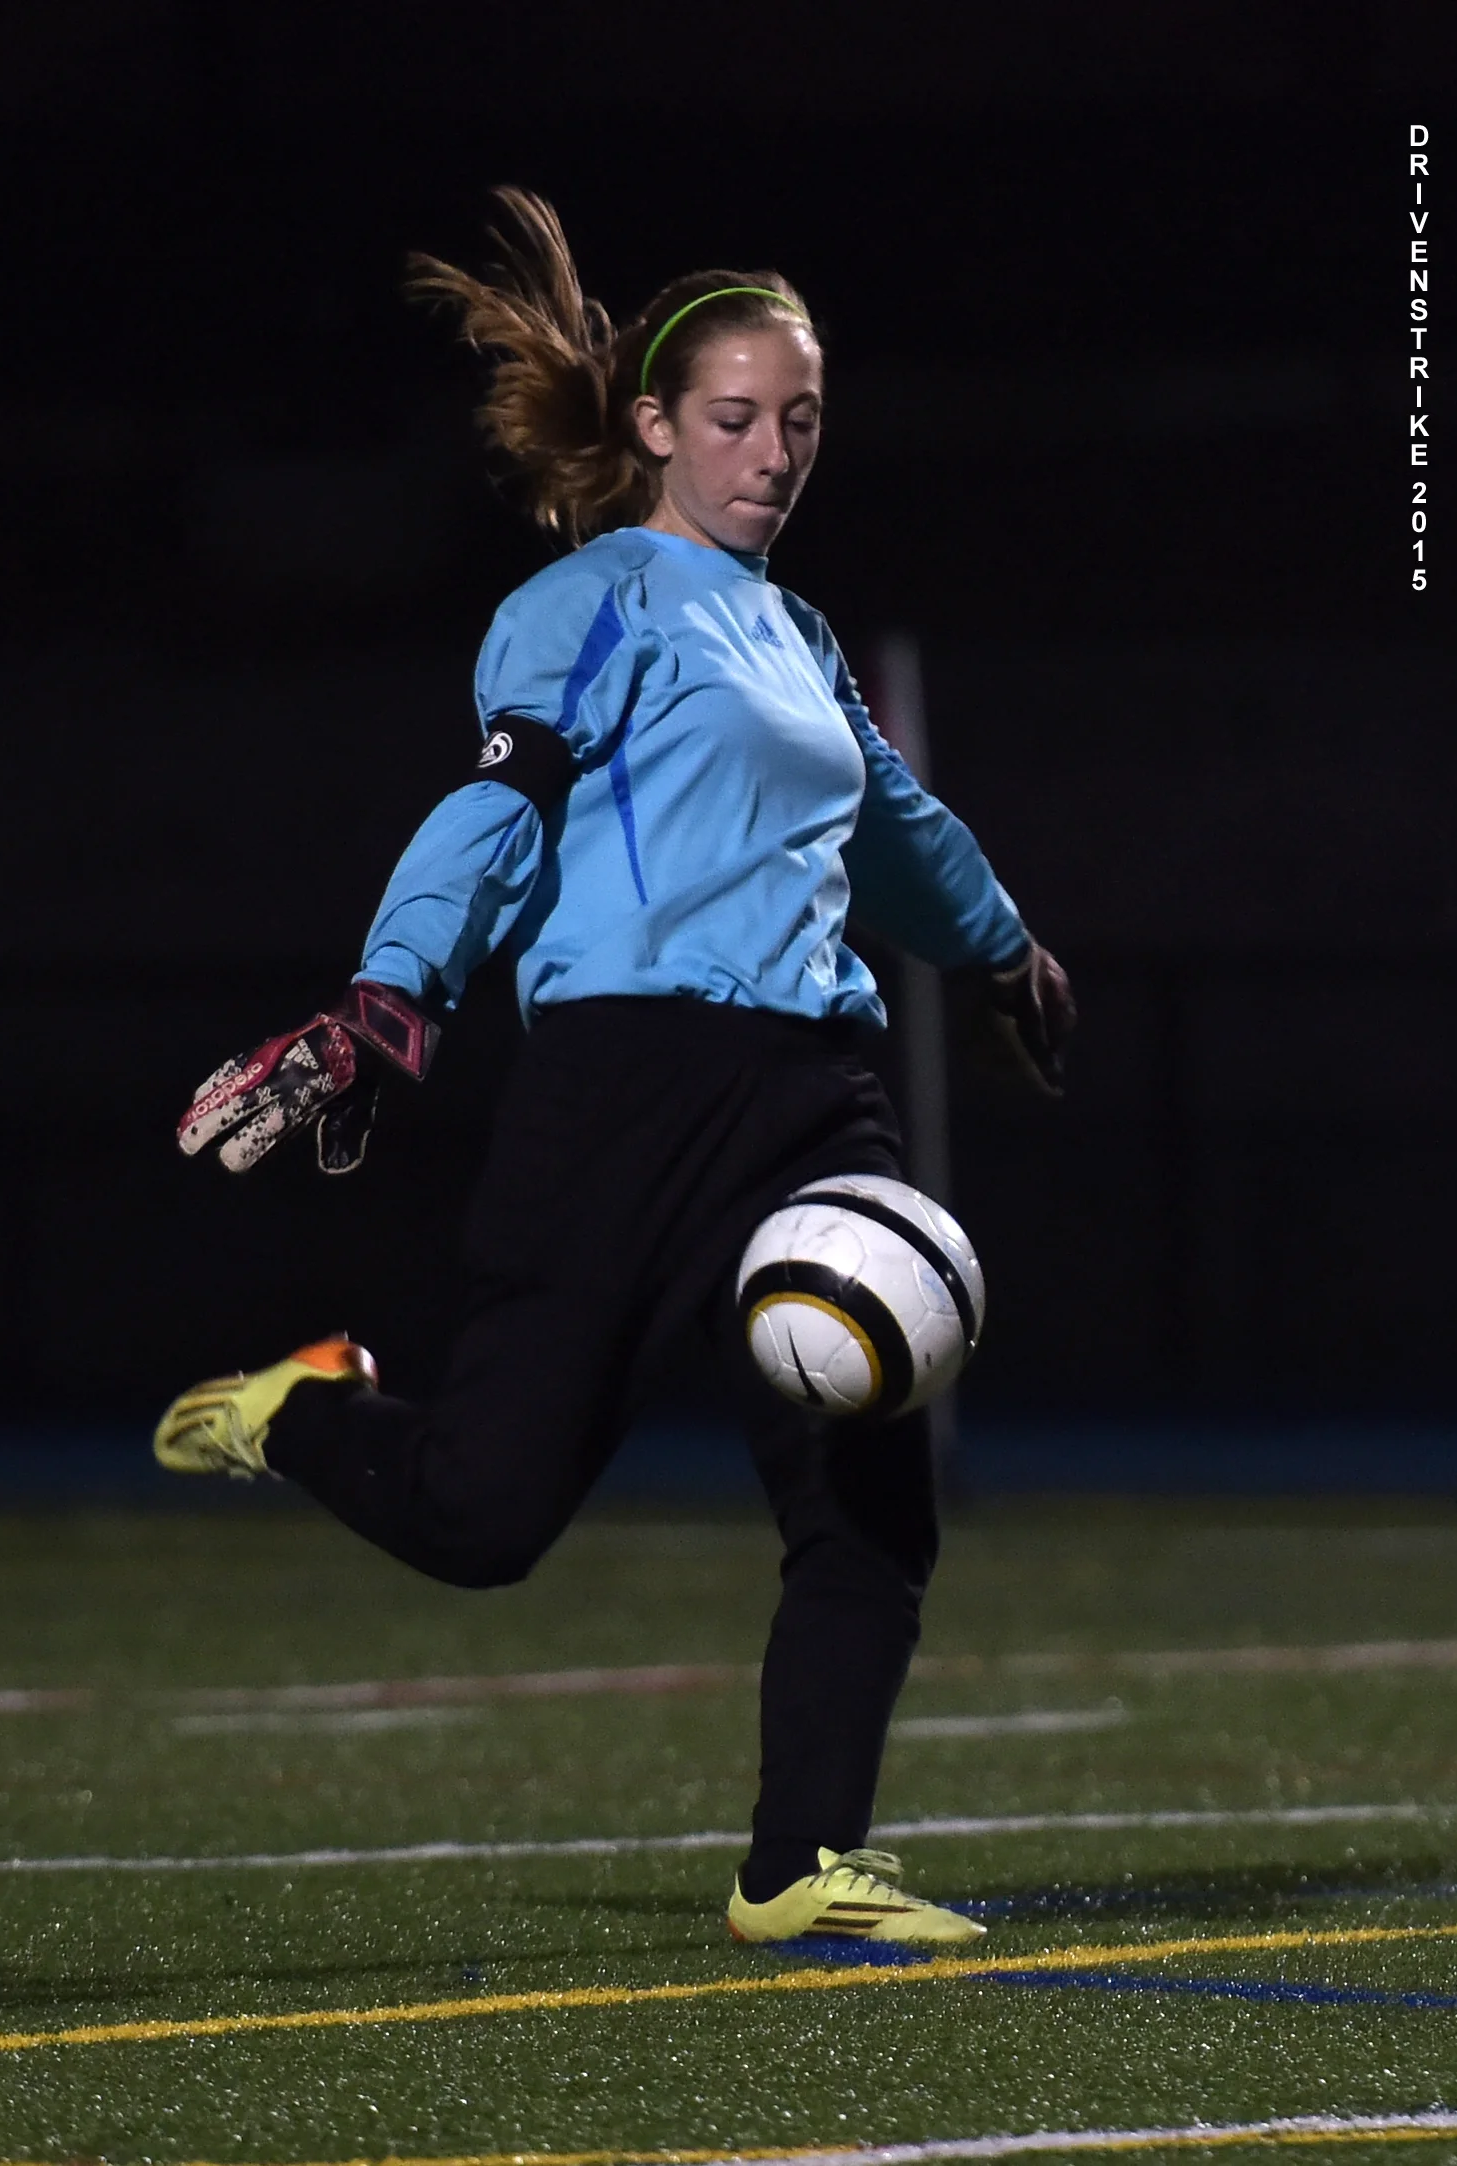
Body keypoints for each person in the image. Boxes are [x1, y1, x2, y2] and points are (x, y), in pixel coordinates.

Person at [155, 188, 1075, 1947]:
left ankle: (799, 1863)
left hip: (820, 1092)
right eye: (736, 417)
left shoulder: (797, 637)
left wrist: (1002, 945)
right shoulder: (586, 602)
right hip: (630, 1085)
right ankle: (304, 1405)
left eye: (802, 420)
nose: (773, 453)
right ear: (654, 424)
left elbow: (892, 825)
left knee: (868, 1489)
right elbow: (500, 808)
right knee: (487, 1514)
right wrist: (385, 998)